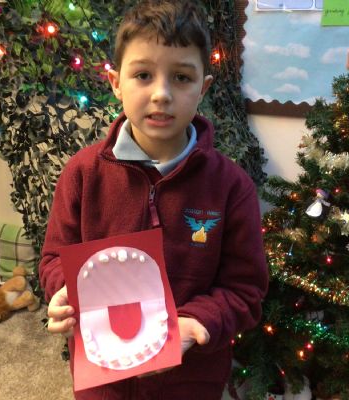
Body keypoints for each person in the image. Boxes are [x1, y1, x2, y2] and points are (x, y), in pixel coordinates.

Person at [39, 1, 269, 399]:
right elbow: (54, 260)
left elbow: (245, 289)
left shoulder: (231, 187)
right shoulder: (82, 174)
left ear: (203, 88)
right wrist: (64, 292)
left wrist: (198, 322)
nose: (161, 94)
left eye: (181, 77)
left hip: (190, 381)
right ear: (116, 83)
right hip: (103, 380)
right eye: (143, 75)